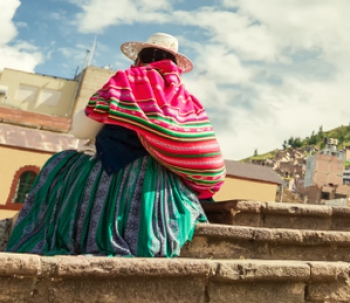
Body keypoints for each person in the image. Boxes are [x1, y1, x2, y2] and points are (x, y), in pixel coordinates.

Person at [6, 33, 225, 257]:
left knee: (60, 164)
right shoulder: (185, 101)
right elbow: (204, 156)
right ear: (174, 66)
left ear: (139, 60)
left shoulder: (125, 82)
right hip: (159, 185)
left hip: (109, 170)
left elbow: (82, 130)